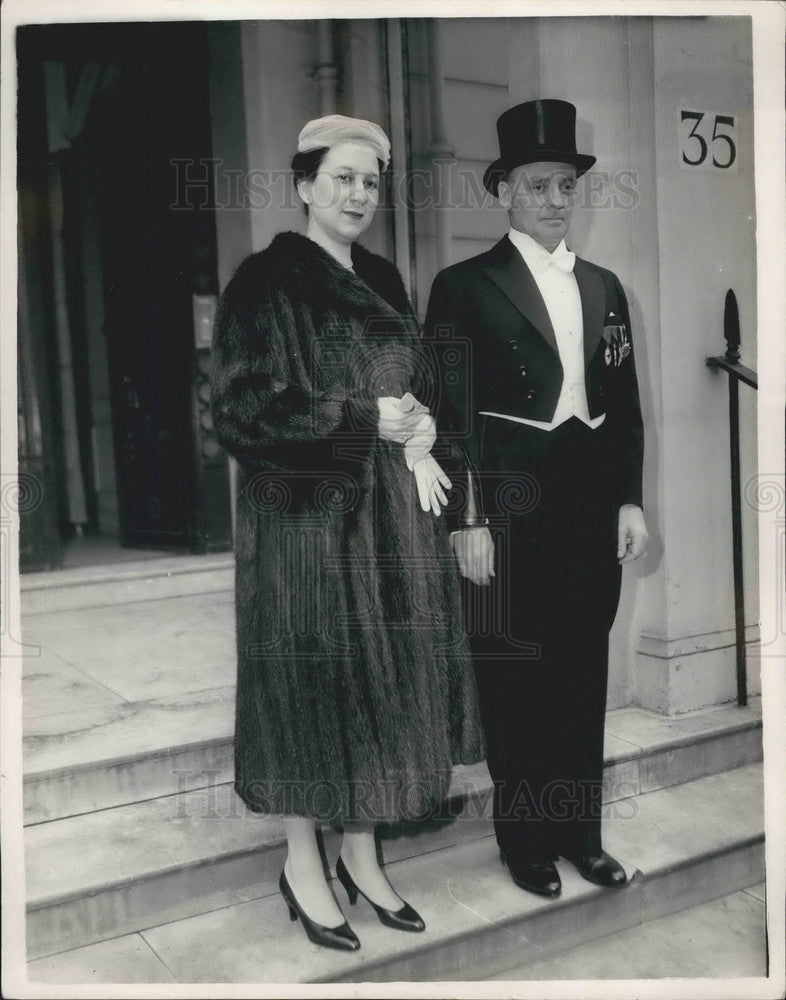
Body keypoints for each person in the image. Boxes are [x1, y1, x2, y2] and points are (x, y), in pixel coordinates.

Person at [210, 115, 483, 951]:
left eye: (370, 180)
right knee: (308, 692)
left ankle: (362, 858)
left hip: (387, 526)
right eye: (342, 178)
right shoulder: (264, 282)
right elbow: (238, 407)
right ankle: (302, 863)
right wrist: (363, 418)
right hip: (301, 526)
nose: (359, 193)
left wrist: (426, 423)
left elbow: (419, 382)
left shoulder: (386, 280)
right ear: (303, 185)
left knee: (379, 687)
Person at [425, 99, 648, 900]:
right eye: (540, 184)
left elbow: (623, 406)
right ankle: (525, 843)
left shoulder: (606, 286)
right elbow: (447, 416)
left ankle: (579, 836)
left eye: (566, 185)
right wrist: (468, 519)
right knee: (516, 680)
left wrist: (629, 500)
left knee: (580, 675)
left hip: (590, 510)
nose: (557, 199)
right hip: (508, 512)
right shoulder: (464, 286)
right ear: (504, 191)